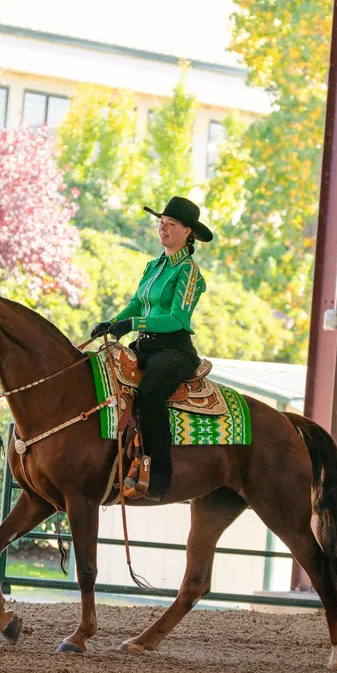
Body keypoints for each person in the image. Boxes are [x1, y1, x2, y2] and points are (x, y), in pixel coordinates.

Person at [90, 196, 211, 500]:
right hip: (144, 346)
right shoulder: (153, 265)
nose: (163, 228)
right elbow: (136, 303)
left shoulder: (190, 273)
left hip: (174, 350)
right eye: (161, 222)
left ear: (188, 233)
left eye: (171, 224)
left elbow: (176, 318)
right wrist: (112, 321)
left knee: (151, 393)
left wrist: (133, 325)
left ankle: (158, 476)